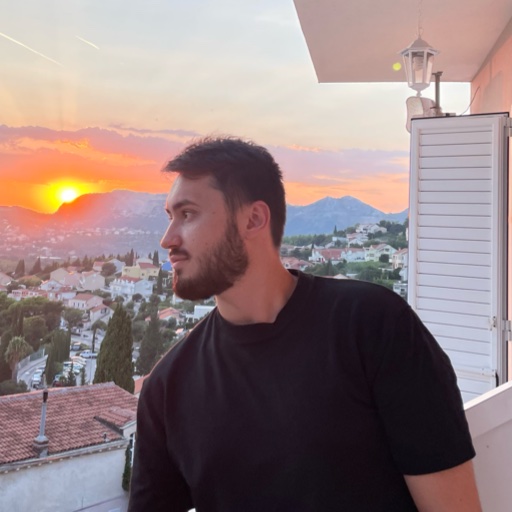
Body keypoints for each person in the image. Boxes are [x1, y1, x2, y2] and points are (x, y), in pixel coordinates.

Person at [128, 136, 481, 511]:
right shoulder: (167, 388)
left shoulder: (373, 326)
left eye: (187, 214)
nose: (167, 239)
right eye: (170, 217)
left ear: (253, 219)